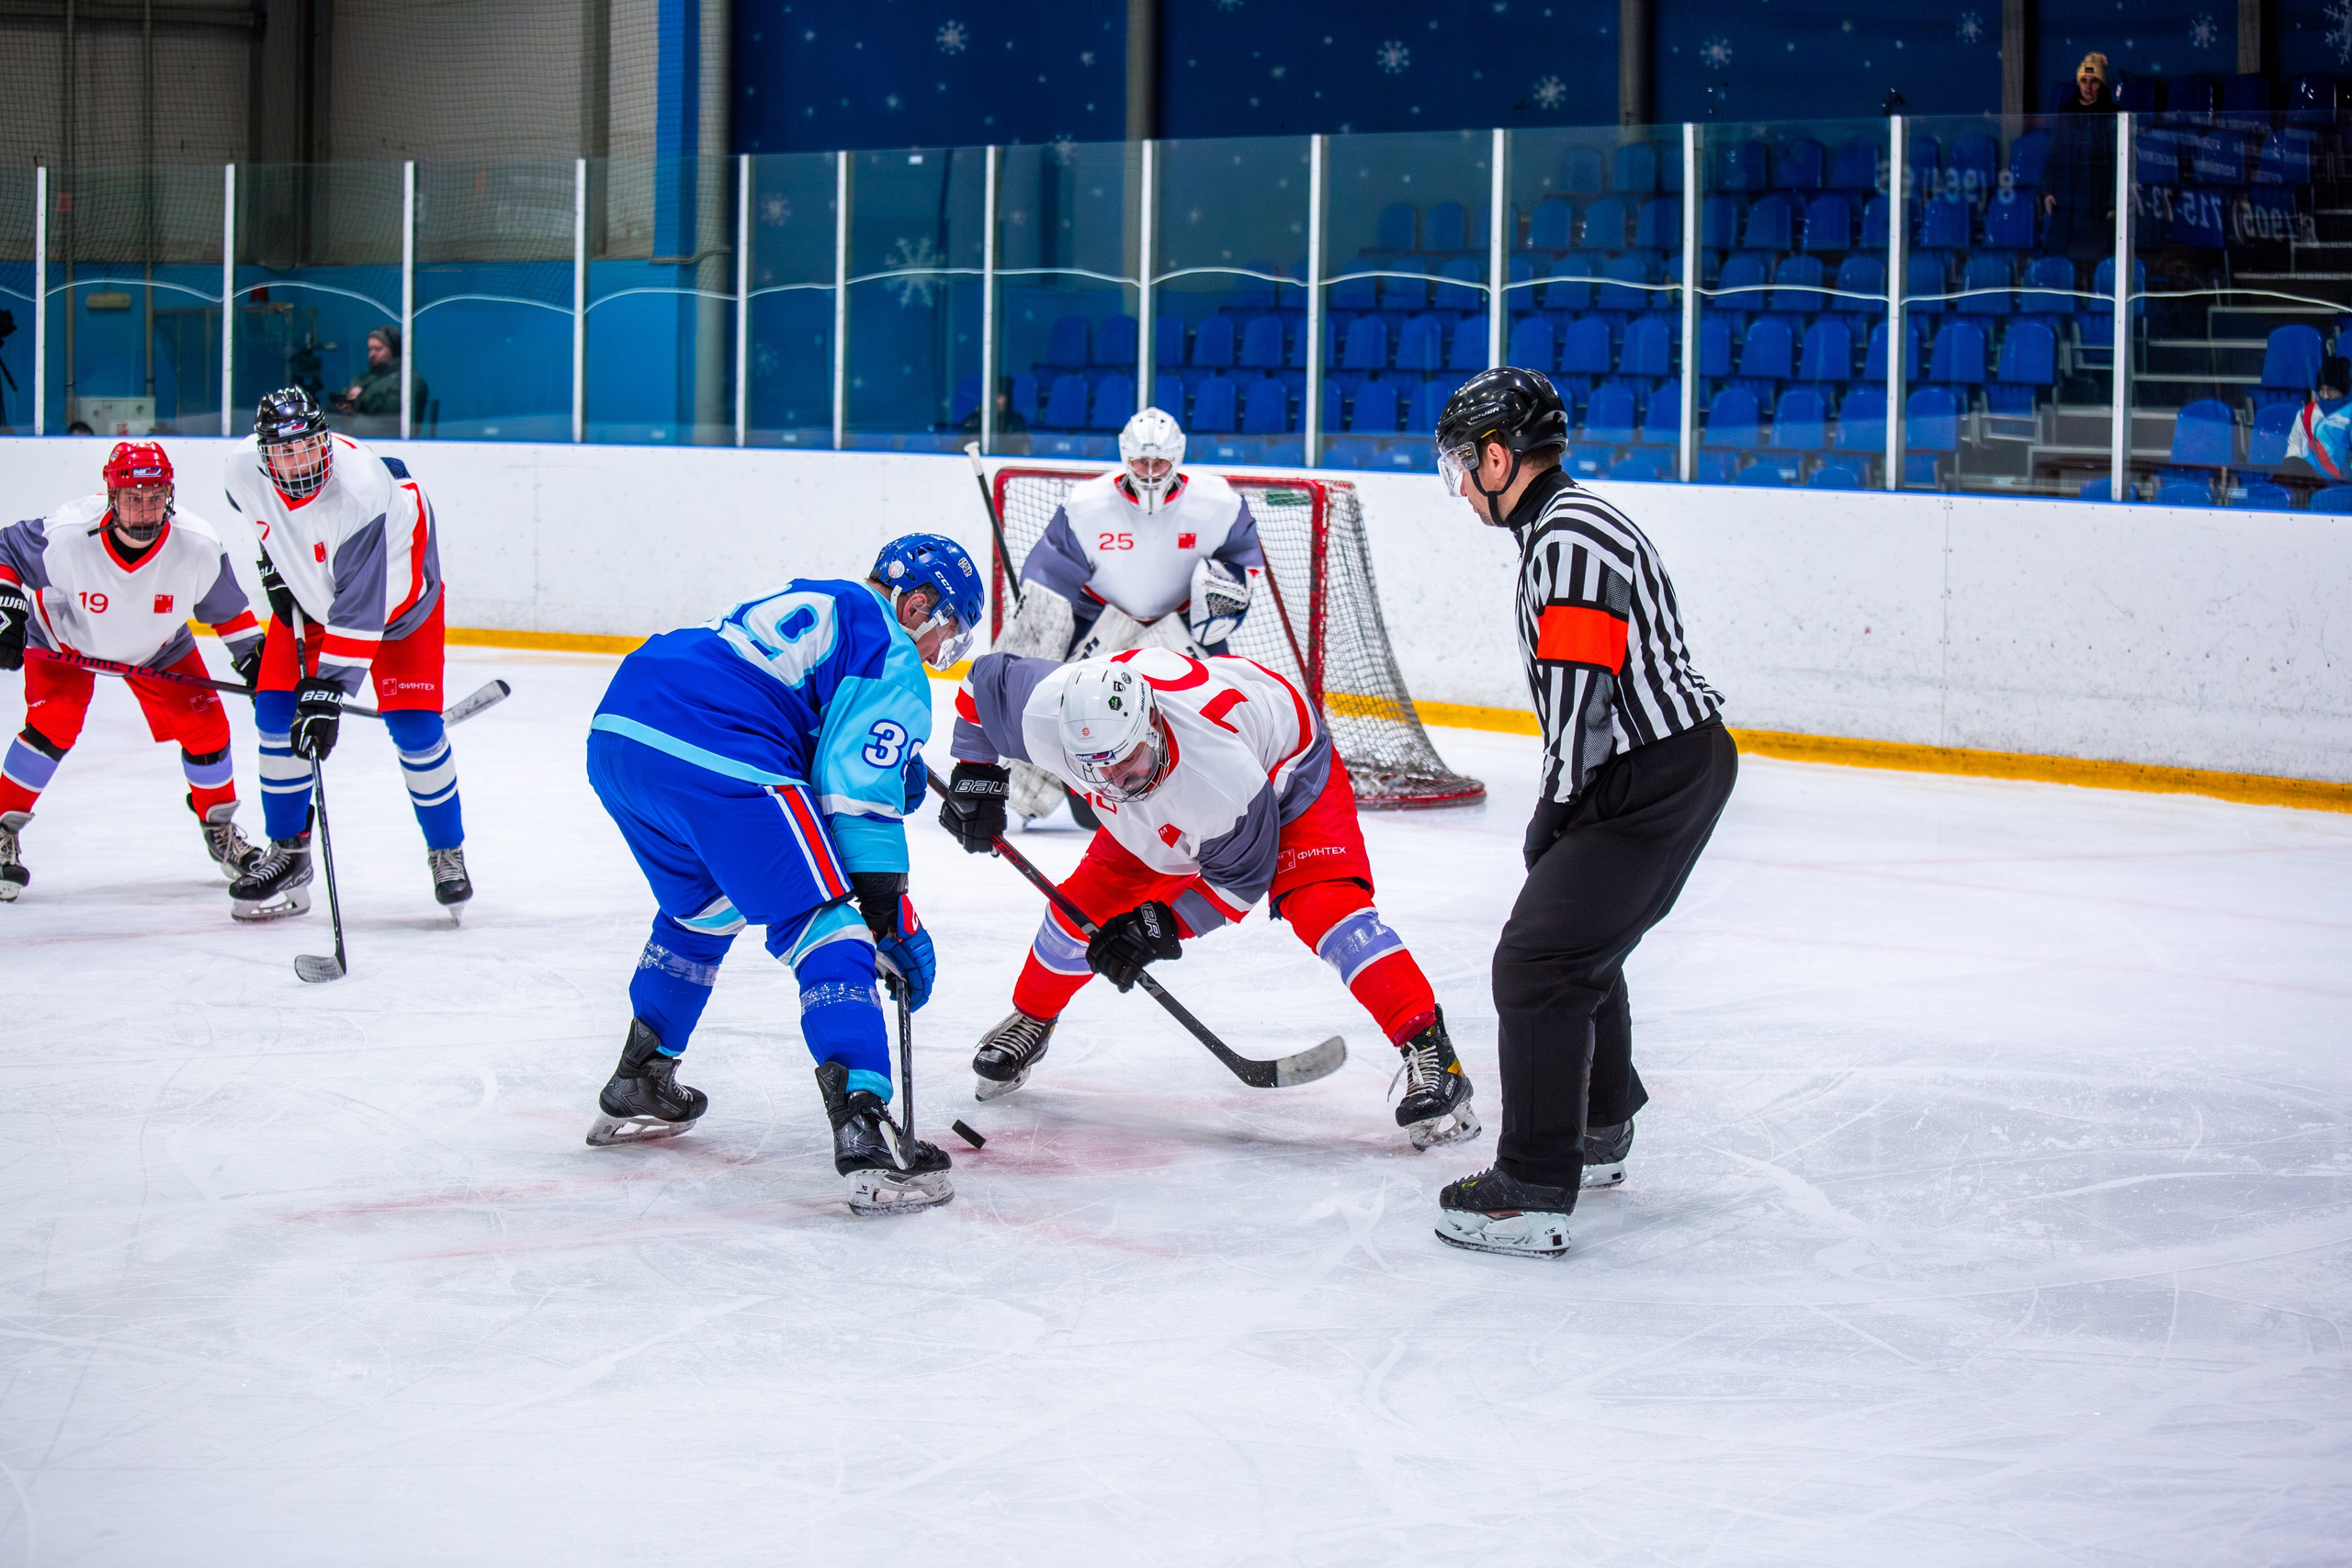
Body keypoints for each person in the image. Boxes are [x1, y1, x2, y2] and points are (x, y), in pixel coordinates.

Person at [1427, 368, 1737, 1258]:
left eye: (1463, 463)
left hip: (1651, 774)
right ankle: (1597, 1128)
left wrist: (1553, 811)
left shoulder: (1566, 542)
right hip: (1657, 767)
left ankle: (1530, 1186)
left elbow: (1579, 704)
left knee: (1538, 963)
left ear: (1499, 458)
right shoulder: (1565, 526)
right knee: (1578, 948)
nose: (1460, 486)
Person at [937, 644, 1480, 1151]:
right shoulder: (1050, 713)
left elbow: (1239, 881)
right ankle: (1032, 1018)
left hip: (1286, 769)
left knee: (1325, 909)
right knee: (1077, 913)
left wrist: (1159, 928)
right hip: (1185, 796)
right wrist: (976, 775)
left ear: (1151, 722)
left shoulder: (1219, 778)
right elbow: (981, 687)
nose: (1119, 781)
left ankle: (1430, 1050)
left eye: (1128, 763)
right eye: (1099, 771)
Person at [582, 535, 982, 1215]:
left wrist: (874, 750)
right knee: (831, 928)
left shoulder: (833, 602)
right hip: (716, 743)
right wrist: (890, 920)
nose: (942, 651)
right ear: (917, 602)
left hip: (624, 730)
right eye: (947, 629)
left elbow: (798, 712)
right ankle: (867, 1131)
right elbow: (852, 801)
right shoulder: (891, 649)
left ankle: (640, 1076)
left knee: (702, 912)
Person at [219, 388, 470, 920]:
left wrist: (327, 694)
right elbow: (269, 526)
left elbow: (359, 612)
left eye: (307, 447)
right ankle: (289, 852)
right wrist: (275, 567)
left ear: (326, 441)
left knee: (417, 730)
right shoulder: (241, 471)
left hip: (401, 610)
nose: (298, 462)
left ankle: (446, 851)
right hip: (315, 600)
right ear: (264, 455)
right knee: (275, 714)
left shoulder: (358, 494)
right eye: (283, 453)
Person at [0, 443, 265, 901]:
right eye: (131, 496)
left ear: (170, 495)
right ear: (111, 495)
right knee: (52, 725)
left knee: (207, 730)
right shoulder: (65, 534)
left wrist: (258, 666)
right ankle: (3, 830)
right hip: (67, 638)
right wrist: (6, 606)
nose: (144, 509)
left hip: (157, 646)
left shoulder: (197, 545)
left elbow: (232, 616)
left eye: (154, 496)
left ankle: (220, 831)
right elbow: (5, 548)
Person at [992, 405, 1264, 825]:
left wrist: (1226, 587)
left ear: (1178, 457)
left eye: (1160, 462)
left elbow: (1239, 562)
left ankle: (1208, 796)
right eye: (1141, 461)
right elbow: (1049, 577)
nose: (1151, 471)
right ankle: (1036, 794)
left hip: (1181, 624)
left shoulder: (1218, 502)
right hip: (1103, 622)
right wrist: (1041, 632)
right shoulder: (1087, 504)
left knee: (1207, 714)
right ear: (1125, 457)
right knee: (1068, 707)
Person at [2042, 53, 2118, 264]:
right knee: (2061, 256)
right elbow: (2053, 155)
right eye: (2084, 81)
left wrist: (2113, 203)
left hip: (2095, 201)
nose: (2088, 86)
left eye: (2094, 81)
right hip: (2066, 201)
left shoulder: (2111, 117)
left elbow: (2116, 162)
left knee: (2093, 256)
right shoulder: (2067, 114)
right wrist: (2049, 190)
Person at [2279, 355, 2351, 485]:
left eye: (2331, 390)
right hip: (2312, 482)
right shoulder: (2305, 413)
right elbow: (2294, 447)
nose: (2325, 395)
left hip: (2345, 483)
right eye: (2322, 390)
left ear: (2343, 388)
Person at [330, 326, 402, 418]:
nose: (372, 354)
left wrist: (358, 399)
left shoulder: (405, 381)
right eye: (370, 349)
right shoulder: (364, 379)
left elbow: (388, 417)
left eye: (377, 349)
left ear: (394, 351)